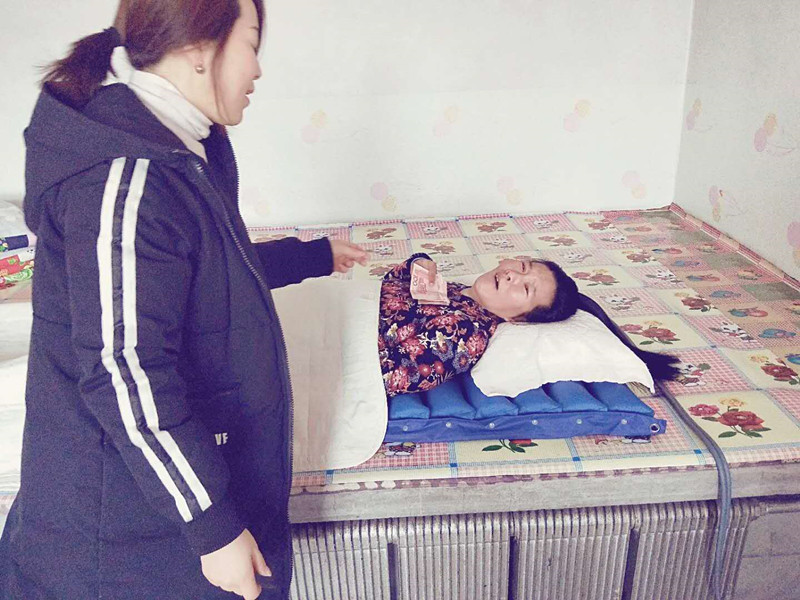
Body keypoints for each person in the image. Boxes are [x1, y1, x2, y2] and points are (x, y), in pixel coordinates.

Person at [0, 1, 367, 599]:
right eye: (251, 43)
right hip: (119, 537)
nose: (258, 68)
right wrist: (213, 527)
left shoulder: (175, 147)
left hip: (147, 513)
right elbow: (124, 370)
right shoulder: (124, 183)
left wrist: (311, 257)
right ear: (199, 49)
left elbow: (203, 275)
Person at [379, 254, 678, 397]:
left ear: (517, 320)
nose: (512, 276)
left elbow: (389, 377)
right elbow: (389, 287)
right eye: (522, 268)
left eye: (525, 289)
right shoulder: (457, 290)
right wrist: (419, 263)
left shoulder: (465, 335)